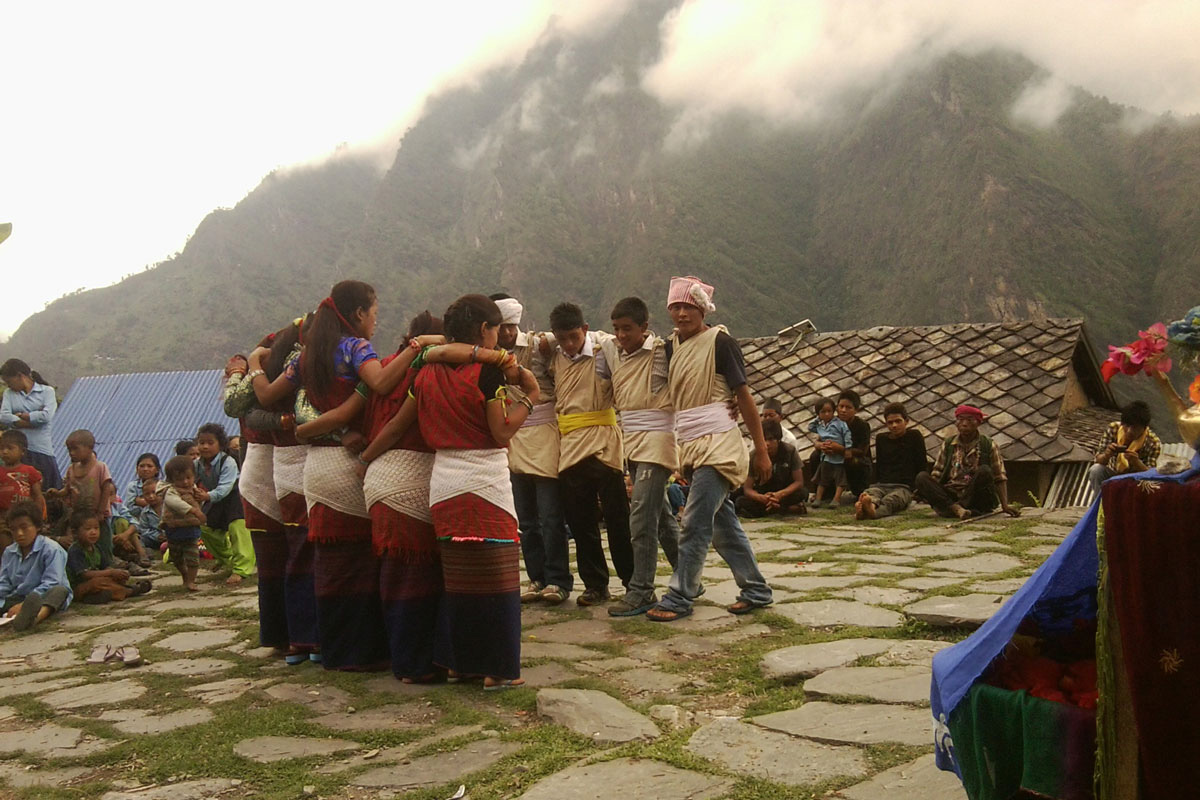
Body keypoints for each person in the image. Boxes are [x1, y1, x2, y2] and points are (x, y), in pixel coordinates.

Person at [647, 276, 773, 622]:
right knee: (722, 524)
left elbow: (743, 395)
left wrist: (760, 449)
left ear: (702, 309)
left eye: (688, 306)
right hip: (691, 444)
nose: (681, 313)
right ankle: (756, 589)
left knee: (694, 523)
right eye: (676, 306)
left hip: (719, 445)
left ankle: (680, 595)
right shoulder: (671, 346)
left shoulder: (721, 342)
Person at [547, 302, 633, 607]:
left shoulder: (603, 351)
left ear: (584, 329)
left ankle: (631, 581)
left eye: (574, 336)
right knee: (581, 522)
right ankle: (595, 584)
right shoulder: (553, 358)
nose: (569, 344)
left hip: (604, 442)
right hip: (570, 444)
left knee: (618, 518)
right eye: (563, 339)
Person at [491, 294, 573, 607]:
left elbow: (579, 339)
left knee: (552, 515)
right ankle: (537, 578)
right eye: (502, 327)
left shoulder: (541, 345)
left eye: (511, 327)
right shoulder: (490, 355)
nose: (508, 333)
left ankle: (558, 580)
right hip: (514, 437)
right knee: (525, 519)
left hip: (546, 433)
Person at [608, 296, 680, 616]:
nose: (622, 335)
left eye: (628, 329)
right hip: (633, 444)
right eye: (617, 329)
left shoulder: (663, 351)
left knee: (641, 517)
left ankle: (642, 590)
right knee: (662, 517)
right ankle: (687, 576)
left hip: (658, 442)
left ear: (644, 328)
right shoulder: (613, 354)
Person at [915, 405, 1020, 519]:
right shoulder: (948, 444)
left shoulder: (988, 444)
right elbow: (937, 473)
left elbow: (999, 476)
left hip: (976, 496)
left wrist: (1005, 505)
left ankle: (954, 509)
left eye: (970, 420)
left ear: (978, 423)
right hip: (952, 494)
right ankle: (956, 508)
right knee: (922, 477)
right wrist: (930, 490)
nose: (964, 424)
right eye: (960, 419)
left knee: (985, 470)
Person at [194, 423, 256, 585]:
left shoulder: (228, 462)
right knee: (204, 528)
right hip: (214, 499)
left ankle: (242, 569)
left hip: (234, 497)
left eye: (210, 443)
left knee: (238, 529)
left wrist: (206, 496)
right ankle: (227, 558)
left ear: (221, 445)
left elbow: (225, 487)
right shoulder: (197, 464)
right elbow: (189, 481)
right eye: (201, 442)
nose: (205, 446)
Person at [0, 500, 71, 631]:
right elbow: (4, 584)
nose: (19, 533)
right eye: (14, 529)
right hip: (20, 596)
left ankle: (35, 618)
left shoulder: (51, 549)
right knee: (5, 600)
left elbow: (51, 582)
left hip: (44, 595)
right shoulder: (9, 552)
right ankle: (21, 616)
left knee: (60, 591)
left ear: (37, 527)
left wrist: (24, 604)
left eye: (24, 527)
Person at [48, 430, 116, 561]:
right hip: (79, 516)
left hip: (97, 515)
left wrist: (101, 512)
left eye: (75, 449)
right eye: (69, 450)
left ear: (90, 448)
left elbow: (106, 488)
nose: (71, 453)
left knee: (103, 543)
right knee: (79, 543)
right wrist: (57, 493)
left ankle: (107, 564)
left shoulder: (100, 467)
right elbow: (68, 489)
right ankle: (83, 565)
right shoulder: (71, 469)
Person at [855, 402, 928, 519]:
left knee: (893, 500)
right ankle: (868, 506)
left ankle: (872, 512)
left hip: (904, 486)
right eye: (890, 422)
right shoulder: (881, 439)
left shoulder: (914, 436)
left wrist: (919, 491)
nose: (894, 425)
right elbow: (880, 465)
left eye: (898, 421)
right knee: (871, 494)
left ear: (906, 421)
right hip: (883, 484)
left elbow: (921, 464)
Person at [0, 359, 61, 491]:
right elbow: (3, 416)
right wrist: (32, 421)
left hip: (41, 450)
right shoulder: (9, 394)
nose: (8, 386)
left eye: (9, 382)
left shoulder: (47, 392)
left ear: (20, 376)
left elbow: (46, 416)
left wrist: (23, 416)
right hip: (17, 452)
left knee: (47, 492)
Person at [65, 510, 151, 603]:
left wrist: (119, 573)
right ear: (75, 533)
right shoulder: (75, 550)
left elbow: (105, 567)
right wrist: (110, 572)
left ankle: (104, 595)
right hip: (80, 586)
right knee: (97, 583)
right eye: (88, 529)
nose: (93, 532)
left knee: (115, 578)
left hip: (98, 580)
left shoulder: (97, 548)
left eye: (96, 528)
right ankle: (130, 591)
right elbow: (85, 574)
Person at [1087, 401, 1161, 498]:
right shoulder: (1113, 429)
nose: (1130, 431)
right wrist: (1107, 455)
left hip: (1135, 481)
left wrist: (1137, 463)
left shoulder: (1153, 442)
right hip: (1112, 476)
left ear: (1144, 428)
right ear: (1122, 423)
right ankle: (1101, 505)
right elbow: (1098, 460)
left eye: (1135, 428)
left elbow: (1152, 475)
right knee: (1096, 470)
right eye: (1127, 426)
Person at [735, 419, 807, 517]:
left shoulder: (790, 451)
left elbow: (799, 482)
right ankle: (787, 509)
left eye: (771, 439)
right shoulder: (754, 455)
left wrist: (780, 495)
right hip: (764, 492)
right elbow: (748, 488)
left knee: (803, 492)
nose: (767, 443)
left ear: (778, 440)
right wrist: (761, 497)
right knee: (740, 500)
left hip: (783, 491)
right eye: (764, 439)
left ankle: (771, 509)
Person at [159, 455, 206, 591]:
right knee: (176, 556)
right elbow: (175, 503)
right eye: (179, 479)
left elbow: (199, 502)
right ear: (171, 480)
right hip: (174, 528)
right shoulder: (170, 491)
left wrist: (200, 500)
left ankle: (191, 580)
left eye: (188, 478)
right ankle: (184, 575)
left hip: (191, 528)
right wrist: (194, 511)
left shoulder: (194, 489)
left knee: (193, 556)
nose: (185, 482)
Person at [0, 430, 45, 551]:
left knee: (27, 547)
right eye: (2, 448)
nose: (4, 452)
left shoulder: (29, 471)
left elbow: (37, 496)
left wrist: (38, 518)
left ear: (22, 451)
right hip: (4, 519)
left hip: (26, 517)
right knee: (6, 548)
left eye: (10, 448)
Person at [807, 398, 851, 507]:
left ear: (833, 411)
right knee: (823, 479)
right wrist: (818, 418)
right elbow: (810, 427)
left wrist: (848, 448)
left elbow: (847, 435)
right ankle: (818, 499)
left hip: (838, 457)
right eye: (823, 412)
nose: (827, 414)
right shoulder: (820, 426)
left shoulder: (840, 423)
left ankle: (836, 500)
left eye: (829, 411)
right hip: (826, 457)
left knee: (839, 480)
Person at [835, 390, 873, 499]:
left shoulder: (862, 426)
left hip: (856, 459)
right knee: (815, 456)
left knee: (855, 461)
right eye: (841, 406)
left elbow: (862, 451)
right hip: (835, 458)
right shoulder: (833, 423)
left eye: (848, 407)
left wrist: (840, 449)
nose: (843, 410)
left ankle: (859, 490)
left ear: (856, 410)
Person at [123, 453, 164, 553]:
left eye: (149, 466)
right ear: (137, 469)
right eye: (142, 466)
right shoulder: (132, 486)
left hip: (166, 533)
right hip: (141, 526)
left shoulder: (162, 485)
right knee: (139, 538)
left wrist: (139, 501)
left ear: (157, 469)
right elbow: (131, 508)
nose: (145, 469)